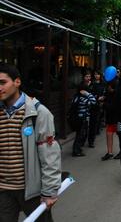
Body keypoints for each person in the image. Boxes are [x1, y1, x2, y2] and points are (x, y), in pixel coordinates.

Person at [0, 64, 61, 221]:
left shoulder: (38, 113)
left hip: (32, 191)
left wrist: (49, 191)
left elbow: (50, 155)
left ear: (17, 82)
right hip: (3, 191)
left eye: (2, 82)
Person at [71, 82, 97, 157]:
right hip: (82, 118)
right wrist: (87, 94)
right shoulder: (83, 99)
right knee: (80, 135)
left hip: (77, 118)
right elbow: (93, 102)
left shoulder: (76, 97)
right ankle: (76, 151)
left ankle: (77, 149)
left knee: (79, 134)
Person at [101, 79, 120, 161]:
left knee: (120, 136)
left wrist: (103, 104)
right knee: (109, 135)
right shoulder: (107, 93)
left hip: (117, 119)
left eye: (109, 87)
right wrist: (103, 99)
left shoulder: (118, 95)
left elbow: (112, 107)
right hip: (110, 118)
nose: (108, 88)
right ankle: (109, 152)